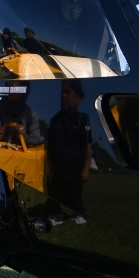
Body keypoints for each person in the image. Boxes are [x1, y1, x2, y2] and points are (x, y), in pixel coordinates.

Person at [46, 80, 93, 225]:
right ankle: (55, 214)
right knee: (55, 191)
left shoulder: (82, 119)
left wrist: (86, 168)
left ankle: (78, 214)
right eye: (63, 92)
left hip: (74, 166)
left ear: (79, 99)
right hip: (57, 166)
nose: (64, 96)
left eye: (69, 93)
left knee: (74, 193)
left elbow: (88, 145)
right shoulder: (56, 119)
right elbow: (50, 143)